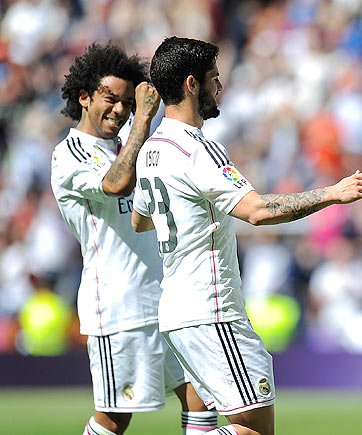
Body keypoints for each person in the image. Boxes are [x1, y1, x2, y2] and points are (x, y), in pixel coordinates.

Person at [131, 36, 362, 435]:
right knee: (254, 428)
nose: (220, 87)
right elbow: (258, 211)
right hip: (211, 308)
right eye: (214, 78)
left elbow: (140, 221)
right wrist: (333, 193)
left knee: (206, 418)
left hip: (175, 311)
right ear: (192, 84)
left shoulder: (150, 150)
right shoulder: (199, 149)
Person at [51, 42, 216, 435]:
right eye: (111, 99)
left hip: (165, 299)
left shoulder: (128, 145)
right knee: (115, 417)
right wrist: (144, 119)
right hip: (118, 305)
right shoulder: (70, 153)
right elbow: (117, 183)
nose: (120, 110)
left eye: (127, 102)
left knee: (202, 395)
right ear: (84, 97)